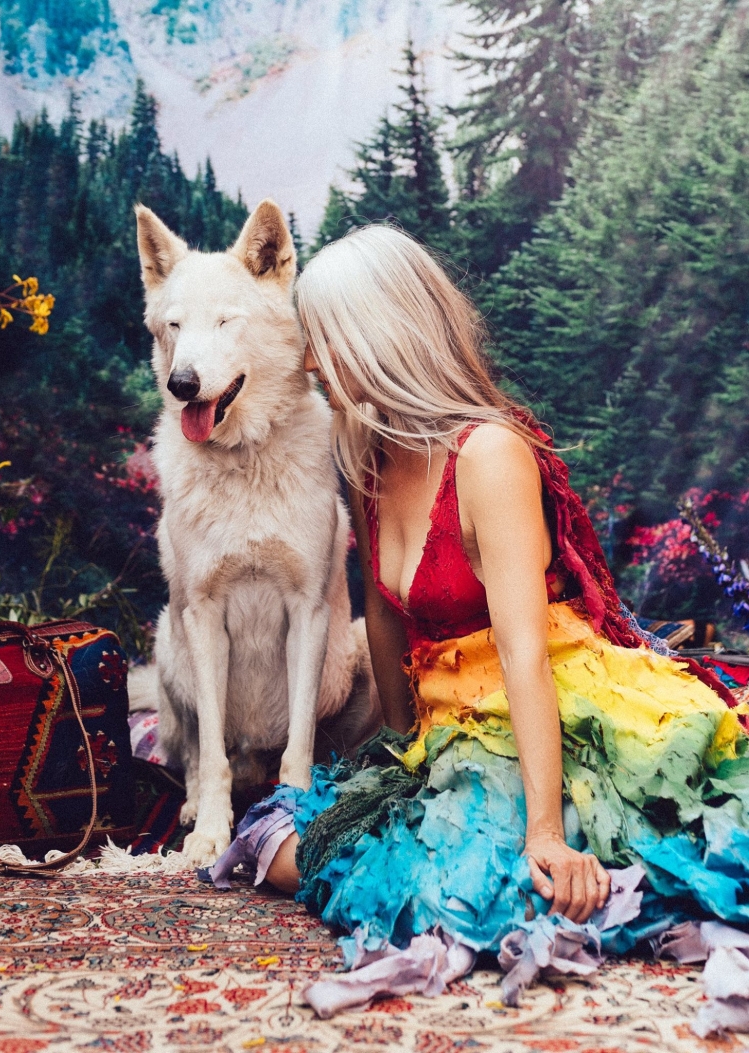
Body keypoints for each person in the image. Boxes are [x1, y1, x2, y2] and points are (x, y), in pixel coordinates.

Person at [209, 224, 749, 982]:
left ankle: (576, 849)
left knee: (457, 895)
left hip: (548, 708)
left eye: (323, 341)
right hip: (452, 725)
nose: (309, 363)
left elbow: (525, 654)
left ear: (378, 339)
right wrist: (399, 757)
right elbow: (385, 615)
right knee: (278, 846)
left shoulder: (490, 453)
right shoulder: (368, 453)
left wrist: (544, 830)